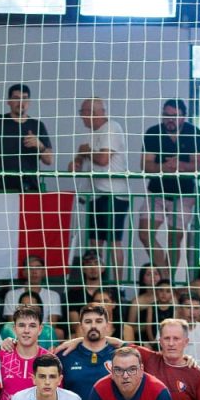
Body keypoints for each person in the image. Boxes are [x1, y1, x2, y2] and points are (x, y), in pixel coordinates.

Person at [139, 99, 200, 275]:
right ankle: (166, 279)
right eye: (166, 115)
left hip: (184, 194)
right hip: (157, 192)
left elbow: (197, 165)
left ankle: (166, 281)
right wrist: (164, 168)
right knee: (144, 233)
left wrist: (179, 166)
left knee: (174, 238)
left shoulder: (194, 132)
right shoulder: (153, 132)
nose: (170, 119)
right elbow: (145, 165)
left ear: (183, 117)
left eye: (174, 116)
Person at [70, 97, 130, 280]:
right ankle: (96, 284)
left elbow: (103, 159)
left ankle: (117, 286)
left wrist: (85, 151)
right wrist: (78, 159)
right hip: (96, 195)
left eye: (82, 113)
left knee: (113, 242)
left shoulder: (112, 128)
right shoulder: (92, 134)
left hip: (114, 194)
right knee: (95, 242)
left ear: (93, 113)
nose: (81, 118)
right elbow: (81, 162)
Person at [0, 83, 52, 192]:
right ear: (8, 101)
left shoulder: (38, 125)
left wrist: (39, 145)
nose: (21, 102)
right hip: (3, 190)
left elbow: (49, 160)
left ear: (29, 102)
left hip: (31, 190)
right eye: (16, 98)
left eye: (25, 98)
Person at [64, 250, 119, 334]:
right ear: (83, 269)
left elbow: (117, 318)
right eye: (89, 264)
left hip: (110, 332)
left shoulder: (113, 291)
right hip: (83, 333)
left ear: (103, 267)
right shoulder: (73, 293)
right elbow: (74, 323)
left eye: (97, 263)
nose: (93, 267)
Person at [1, 255, 62, 326]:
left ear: (43, 272)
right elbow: (11, 322)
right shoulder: (11, 295)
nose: (34, 272)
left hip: (44, 331)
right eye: (30, 268)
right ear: (24, 272)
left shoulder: (53, 295)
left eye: (38, 268)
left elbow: (52, 325)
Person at [125, 265, 163, 340]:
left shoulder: (170, 298)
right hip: (143, 341)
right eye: (149, 274)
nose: (153, 277)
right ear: (143, 279)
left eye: (156, 273)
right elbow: (129, 327)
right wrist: (148, 326)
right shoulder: (137, 301)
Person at [140, 280, 177, 346]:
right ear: (156, 292)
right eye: (161, 290)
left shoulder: (174, 308)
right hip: (153, 339)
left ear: (173, 294)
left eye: (168, 291)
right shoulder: (151, 307)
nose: (164, 294)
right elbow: (148, 326)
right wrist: (152, 342)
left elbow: (175, 326)